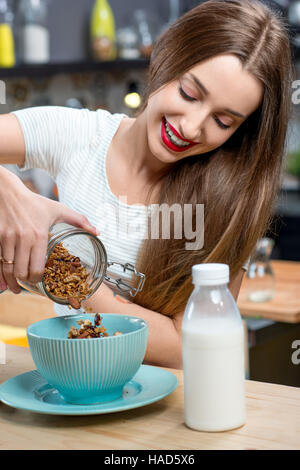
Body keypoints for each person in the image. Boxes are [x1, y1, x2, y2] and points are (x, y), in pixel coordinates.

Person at [0, 0, 294, 368]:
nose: (190, 127)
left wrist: (67, 270)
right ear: (168, 55)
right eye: (189, 93)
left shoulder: (229, 203)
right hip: (75, 386)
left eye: (222, 121)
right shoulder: (79, 136)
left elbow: (188, 348)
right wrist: (11, 195)